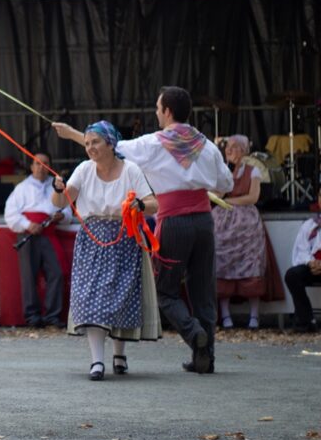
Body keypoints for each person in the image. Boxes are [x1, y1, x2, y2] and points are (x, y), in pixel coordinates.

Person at [54, 86, 233, 374]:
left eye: (158, 108)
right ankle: (206, 354)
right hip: (203, 220)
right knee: (203, 291)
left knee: (167, 292)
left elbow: (115, 149)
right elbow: (226, 185)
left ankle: (192, 331)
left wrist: (73, 134)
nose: (156, 113)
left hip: (174, 220)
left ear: (167, 112)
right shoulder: (207, 145)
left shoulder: (154, 143)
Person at [50, 121, 160, 381]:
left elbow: (153, 203)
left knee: (119, 299)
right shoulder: (84, 169)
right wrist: (58, 189)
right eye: (86, 143)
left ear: (111, 143)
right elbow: (62, 201)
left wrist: (139, 205)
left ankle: (118, 353)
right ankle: (96, 361)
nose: (90, 148)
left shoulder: (130, 169)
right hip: (91, 241)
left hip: (124, 241)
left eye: (95, 142)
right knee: (90, 300)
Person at [3, 153, 69, 328]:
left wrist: (62, 216)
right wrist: (27, 224)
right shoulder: (22, 188)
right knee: (29, 276)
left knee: (56, 273)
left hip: (49, 233)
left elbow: (67, 209)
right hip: (29, 234)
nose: (41, 167)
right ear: (32, 167)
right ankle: (32, 317)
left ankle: (52, 317)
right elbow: (10, 214)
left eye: (45, 164)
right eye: (38, 164)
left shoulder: (57, 187)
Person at [212, 135, 270, 330]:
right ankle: (226, 315)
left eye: (235, 147)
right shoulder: (222, 171)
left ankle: (254, 315)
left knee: (250, 263)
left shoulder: (253, 171)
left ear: (244, 151)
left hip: (246, 220)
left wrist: (230, 202)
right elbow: (216, 195)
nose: (230, 150)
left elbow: (253, 197)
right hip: (223, 220)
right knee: (222, 263)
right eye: (228, 147)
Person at [284, 193, 321, 333]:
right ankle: (306, 320)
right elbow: (301, 248)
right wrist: (311, 263)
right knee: (292, 275)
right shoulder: (310, 225)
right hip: (313, 266)